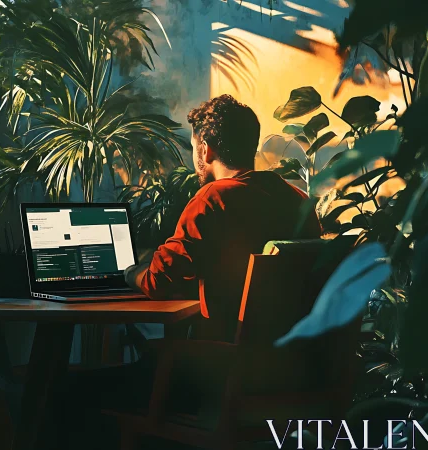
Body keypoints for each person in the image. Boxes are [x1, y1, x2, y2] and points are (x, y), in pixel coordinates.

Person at [51, 94, 321, 450]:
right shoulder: (299, 201)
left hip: (217, 380)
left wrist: (130, 270)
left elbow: (158, 280)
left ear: (205, 149)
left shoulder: (213, 200)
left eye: (195, 147)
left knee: (63, 391)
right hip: (291, 377)